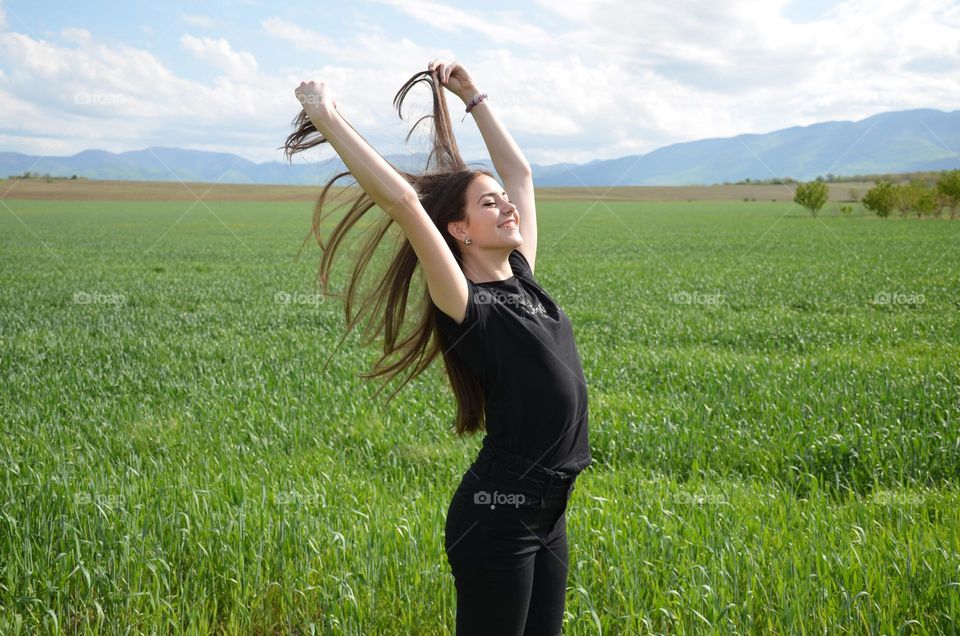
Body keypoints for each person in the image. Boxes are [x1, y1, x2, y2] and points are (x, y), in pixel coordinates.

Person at [283, 59, 591, 636]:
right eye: (489, 204)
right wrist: (324, 115)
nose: (508, 206)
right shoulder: (466, 302)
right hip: (499, 515)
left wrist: (474, 97)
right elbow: (402, 202)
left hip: (551, 511)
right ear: (460, 231)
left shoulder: (523, 277)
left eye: (504, 201)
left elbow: (520, 173)